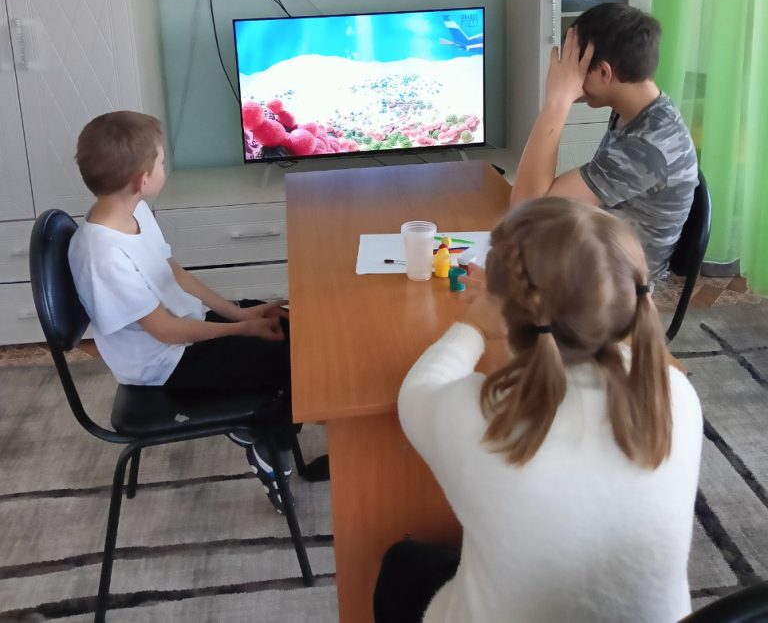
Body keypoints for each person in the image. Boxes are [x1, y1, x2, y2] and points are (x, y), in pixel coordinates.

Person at [374, 198, 703, 623]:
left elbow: (418, 391)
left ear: (504, 308)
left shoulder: (487, 417)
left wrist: (475, 324)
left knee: (402, 563)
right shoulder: (676, 394)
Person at [67, 110, 327, 512]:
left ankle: (271, 426)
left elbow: (174, 273)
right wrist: (243, 332)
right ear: (141, 180)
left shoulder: (132, 210)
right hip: (166, 365)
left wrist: (241, 314)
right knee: (297, 361)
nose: (164, 168)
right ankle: (268, 442)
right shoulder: (103, 255)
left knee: (298, 326)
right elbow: (166, 331)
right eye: (161, 162)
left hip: (187, 331)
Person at [510, 2, 698, 285]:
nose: (574, 82)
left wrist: (557, 101)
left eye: (578, 71)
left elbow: (527, 209)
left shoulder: (646, 147)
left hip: (616, 289)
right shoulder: (640, 109)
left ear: (604, 73)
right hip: (598, 248)